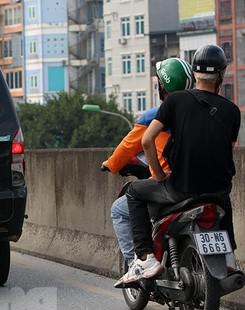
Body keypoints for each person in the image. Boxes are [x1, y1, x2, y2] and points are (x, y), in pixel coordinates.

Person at [118, 45, 241, 285]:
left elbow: (146, 140)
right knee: (223, 200)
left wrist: (160, 175)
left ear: (195, 74)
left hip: (180, 188)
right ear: (221, 75)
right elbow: (227, 148)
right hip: (217, 190)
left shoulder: (176, 100)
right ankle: (229, 258)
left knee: (134, 192)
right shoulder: (232, 111)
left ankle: (144, 259)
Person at [102, 57, 193, 267]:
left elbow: (128, 146)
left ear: (163, 86)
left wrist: (111, 164)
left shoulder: (155, 116)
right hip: (200, 182)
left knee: (119, 209)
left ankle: (138, 263)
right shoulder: (198, 112)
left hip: (168, 186)